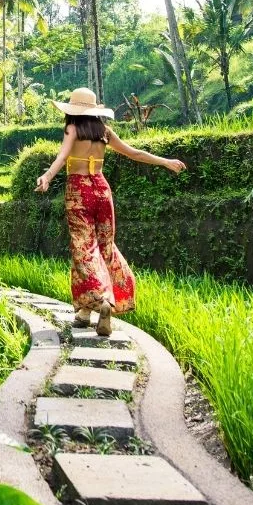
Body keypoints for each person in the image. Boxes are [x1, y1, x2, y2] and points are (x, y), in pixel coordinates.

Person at [34, 88, 186, 336]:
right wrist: (165, 161)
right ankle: (85, 312)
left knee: (84, 248)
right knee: (104, 247)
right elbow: (134, 153)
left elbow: (62, 157)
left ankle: (102, 299)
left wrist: (48, 177)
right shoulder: (104, 131)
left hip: (79, 192)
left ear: (72, 111)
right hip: (103, 192)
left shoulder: (72, 129)